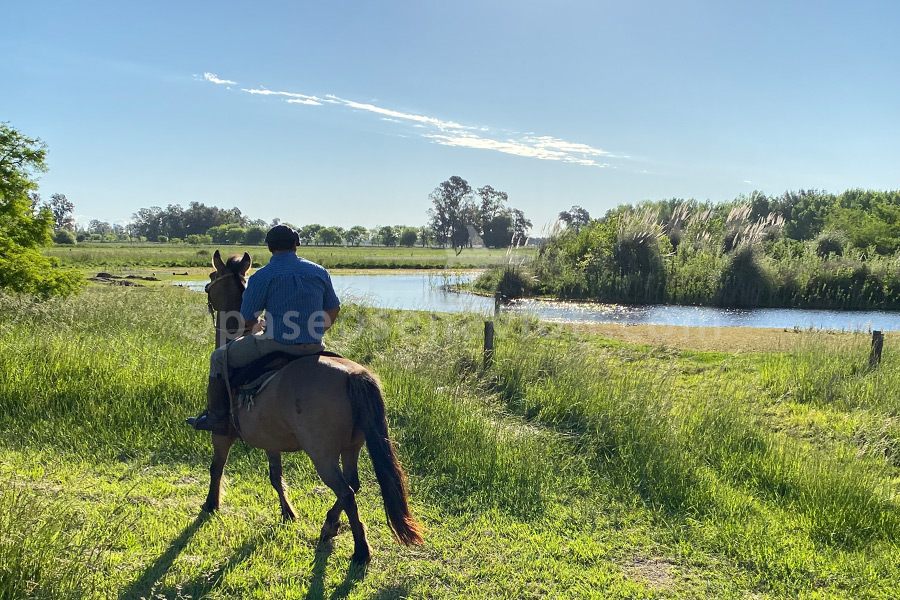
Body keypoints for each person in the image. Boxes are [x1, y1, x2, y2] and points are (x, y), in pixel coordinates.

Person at [186, 225, 341, 434]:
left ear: (269, 248)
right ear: (296, 244)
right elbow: (333, 307)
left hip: (276, 345)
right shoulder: (319, 271)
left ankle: (217, 417)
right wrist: (317, 331)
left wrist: (258, 326)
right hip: (314, 346)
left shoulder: (262, 276)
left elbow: (248, 319)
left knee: (218, 358)